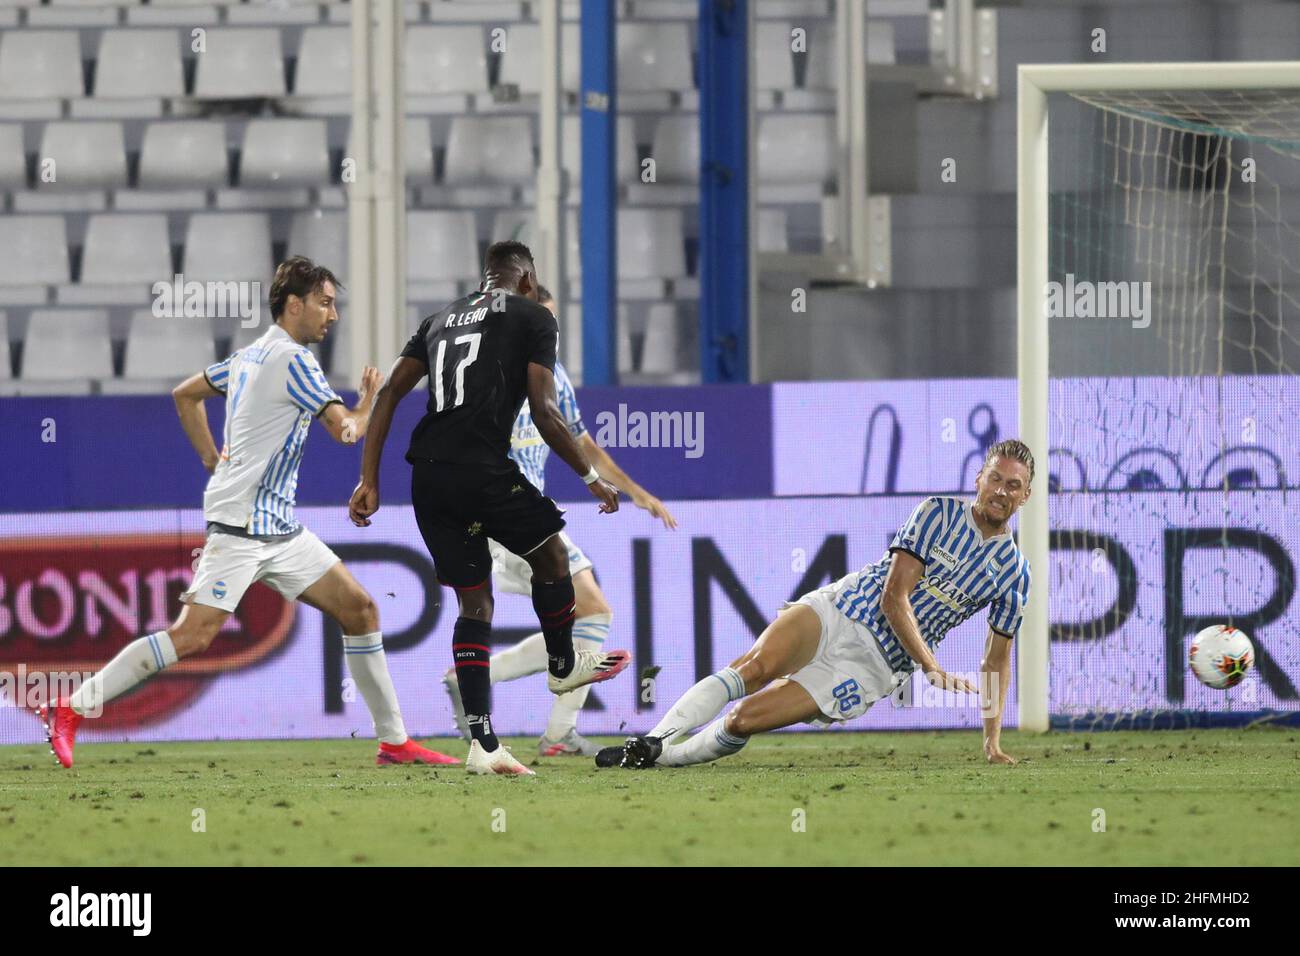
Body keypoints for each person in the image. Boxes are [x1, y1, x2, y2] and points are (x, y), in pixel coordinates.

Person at [40, 256, 458, 768]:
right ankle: (70, 706)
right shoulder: (295, 362)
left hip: (278, 529)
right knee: (191, 635)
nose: (334, 315)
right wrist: (370, 400)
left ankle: (394, 742)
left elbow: (185, 395)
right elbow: (347, 432)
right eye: (325, 303)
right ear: (294, 305)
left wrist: (210, 459)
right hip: (242, 531)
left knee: (360, 609)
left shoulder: (249, 355)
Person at [349, 241, 631, 776]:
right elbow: (547, 413)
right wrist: (592, 477)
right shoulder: (533, 317)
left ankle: (482, 745)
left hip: (428, 476)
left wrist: (368, 479)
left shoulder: (438, 319)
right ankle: (562, 663)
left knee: (473, 606)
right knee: (552, 556)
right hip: (482, 470)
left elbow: (387, 394)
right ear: (527, 279)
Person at [599, 439, 1035, 770]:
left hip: (872, 667)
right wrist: (930, 667)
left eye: (1013, 485)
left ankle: (657, 761)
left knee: (741, 720)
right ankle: (652, 740)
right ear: (979, 478)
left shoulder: (1014, 572)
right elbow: (893, 597)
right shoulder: (937, 513)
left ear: (1025, 497)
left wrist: (991, 742)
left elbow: (996, 661)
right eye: (995, 478)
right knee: (753, 668)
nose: (1000, 491)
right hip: (843, 609)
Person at [440, 285, 678, 757]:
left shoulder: (554, 374)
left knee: (587, 612)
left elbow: (581, 441)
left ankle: (478, 680)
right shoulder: (484, 373)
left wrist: (636, 492)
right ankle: (558, 732)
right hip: (503, 511)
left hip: (523, 512)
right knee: (593, 610)